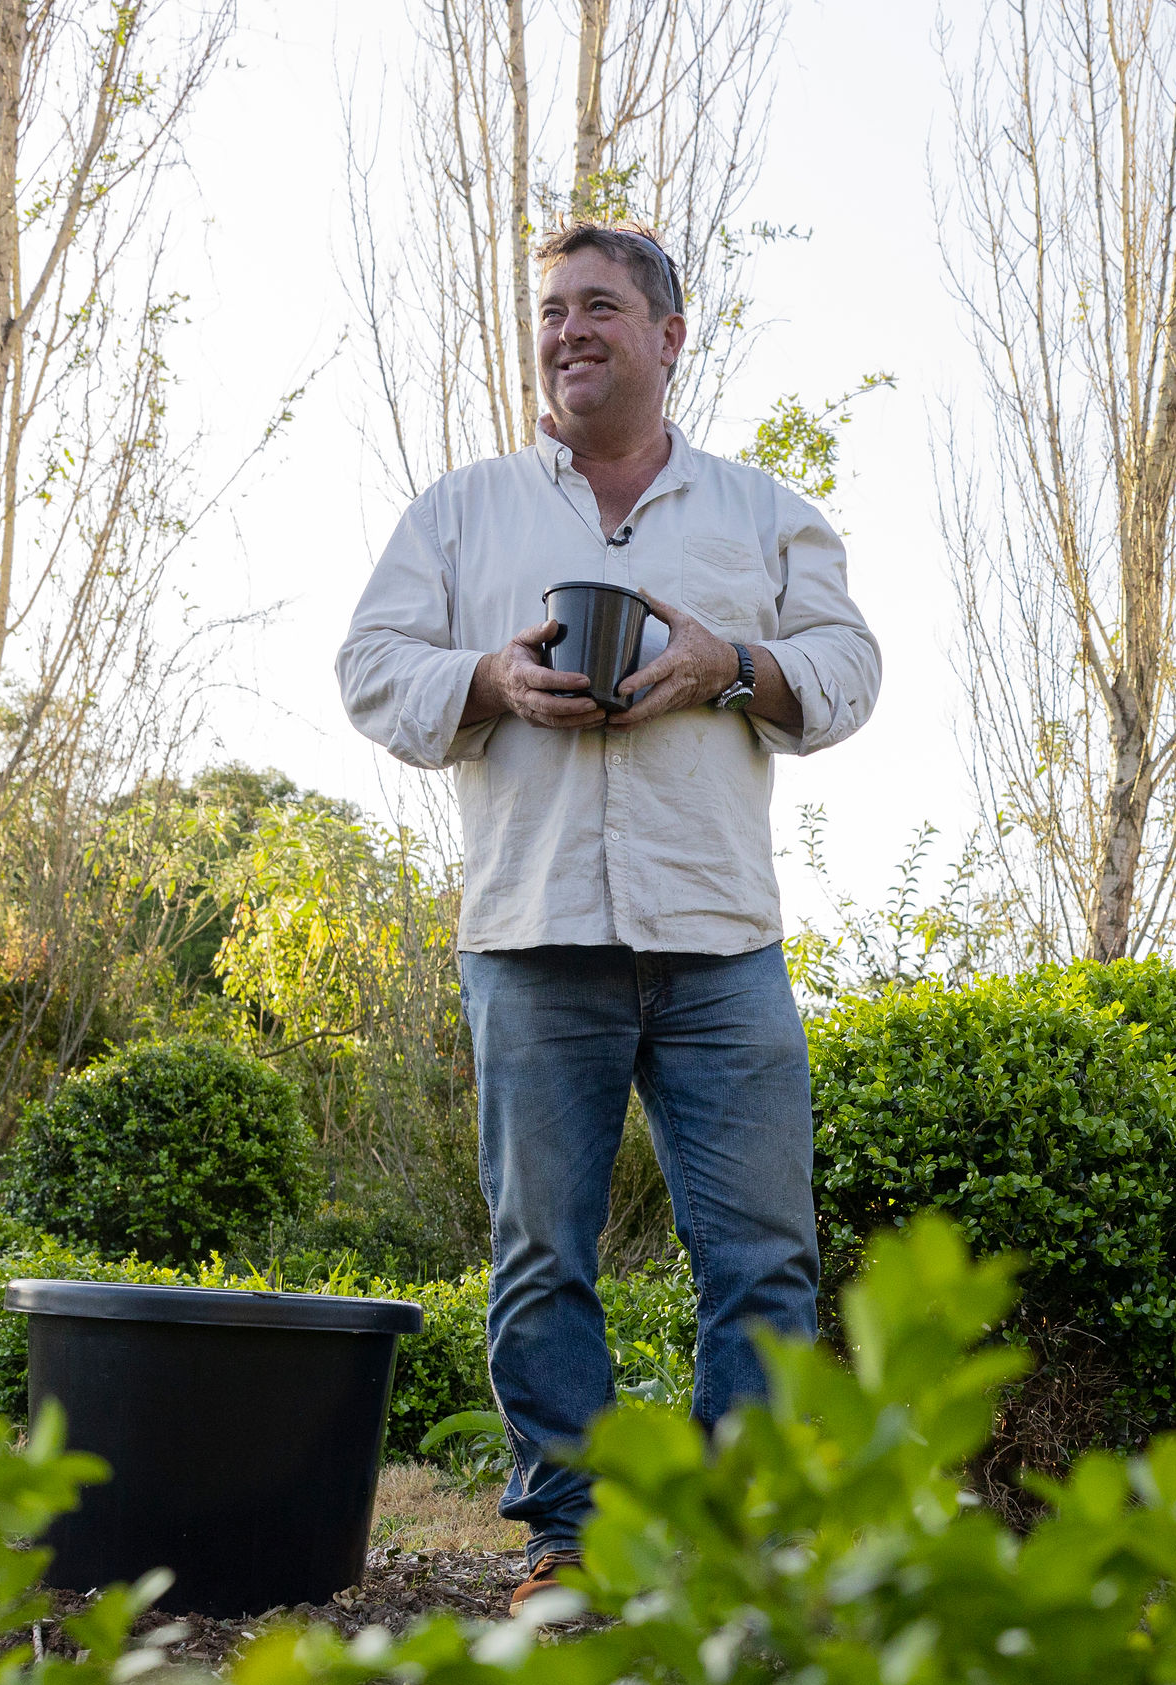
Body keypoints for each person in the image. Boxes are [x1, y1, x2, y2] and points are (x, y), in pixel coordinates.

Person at [336, 222, 881, 1611]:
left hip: (721, 944)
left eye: (599, 307)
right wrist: (490, 684)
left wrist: (728, 663)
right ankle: (568, 1545)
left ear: (668, 333)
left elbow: (847, 665)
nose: (570, 330)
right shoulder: (462, 513)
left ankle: (726, 1544)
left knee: (763, 1256)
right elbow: (370, 665)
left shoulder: (763, 513)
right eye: (552, 312)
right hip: (529, 938)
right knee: (540, 1256)